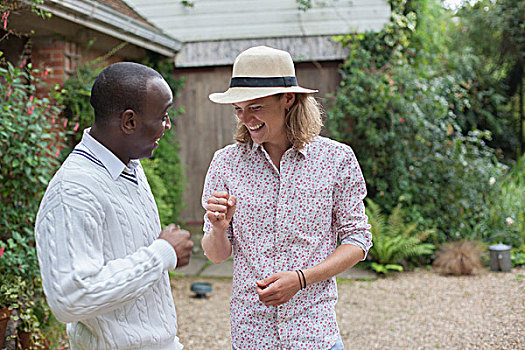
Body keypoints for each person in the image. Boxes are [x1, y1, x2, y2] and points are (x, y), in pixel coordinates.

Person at [201, 46, 373, 350]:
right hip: (252, 333)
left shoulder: (336, 159)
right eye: (238, 109)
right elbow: (216, 255)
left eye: (255, 107)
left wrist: (302, 279)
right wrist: (217, 227)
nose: (246, 119)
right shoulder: (226, 163)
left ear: (288, 99)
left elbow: (357, 241)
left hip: (315, 332)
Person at [35, 62, 193, 349]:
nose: (167, 125)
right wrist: (162, 253)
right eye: (163, 116)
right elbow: (70, 299)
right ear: (129, 121)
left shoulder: (130, 166)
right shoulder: (72, 191)